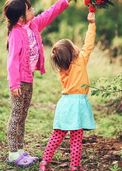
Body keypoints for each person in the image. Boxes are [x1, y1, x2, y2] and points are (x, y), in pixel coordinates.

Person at [3, 0, 80, 167]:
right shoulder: (15, 34)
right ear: (21, 17)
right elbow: (12, 60)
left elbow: (50, 12)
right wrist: (14, 84)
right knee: (16, 116)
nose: (33, 10)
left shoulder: (33, 25)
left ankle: (20, 151)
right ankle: (14, 154)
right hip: (19, 82)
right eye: (29, 9)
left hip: (28, 80)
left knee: (23, 115)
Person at [39, 12, 97, 171]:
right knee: (76, 139)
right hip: (78, 104)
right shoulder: (81, 60)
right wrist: (91, 24)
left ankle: (44, 163)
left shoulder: (62, 69)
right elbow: (89, 43)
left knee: (57, 135)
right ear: (72, 51)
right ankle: (75, 167)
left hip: (65, 103)